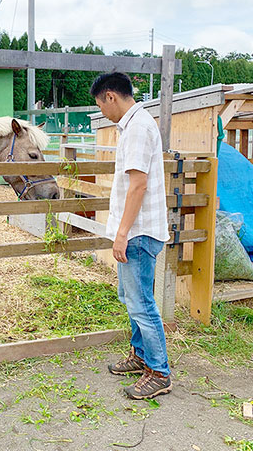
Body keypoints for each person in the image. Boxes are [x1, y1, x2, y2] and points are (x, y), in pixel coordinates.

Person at [90, 72, 172, 400]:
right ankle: (141, 357)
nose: (102, 112)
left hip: (137, 232)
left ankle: (160, 372)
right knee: (133, 300)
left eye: (100, 104)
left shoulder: (137, 128)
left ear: (111, 96)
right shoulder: (135, 125)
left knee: (141, 305)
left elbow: (138, 185)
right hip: (136, 231)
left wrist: (122, 234)